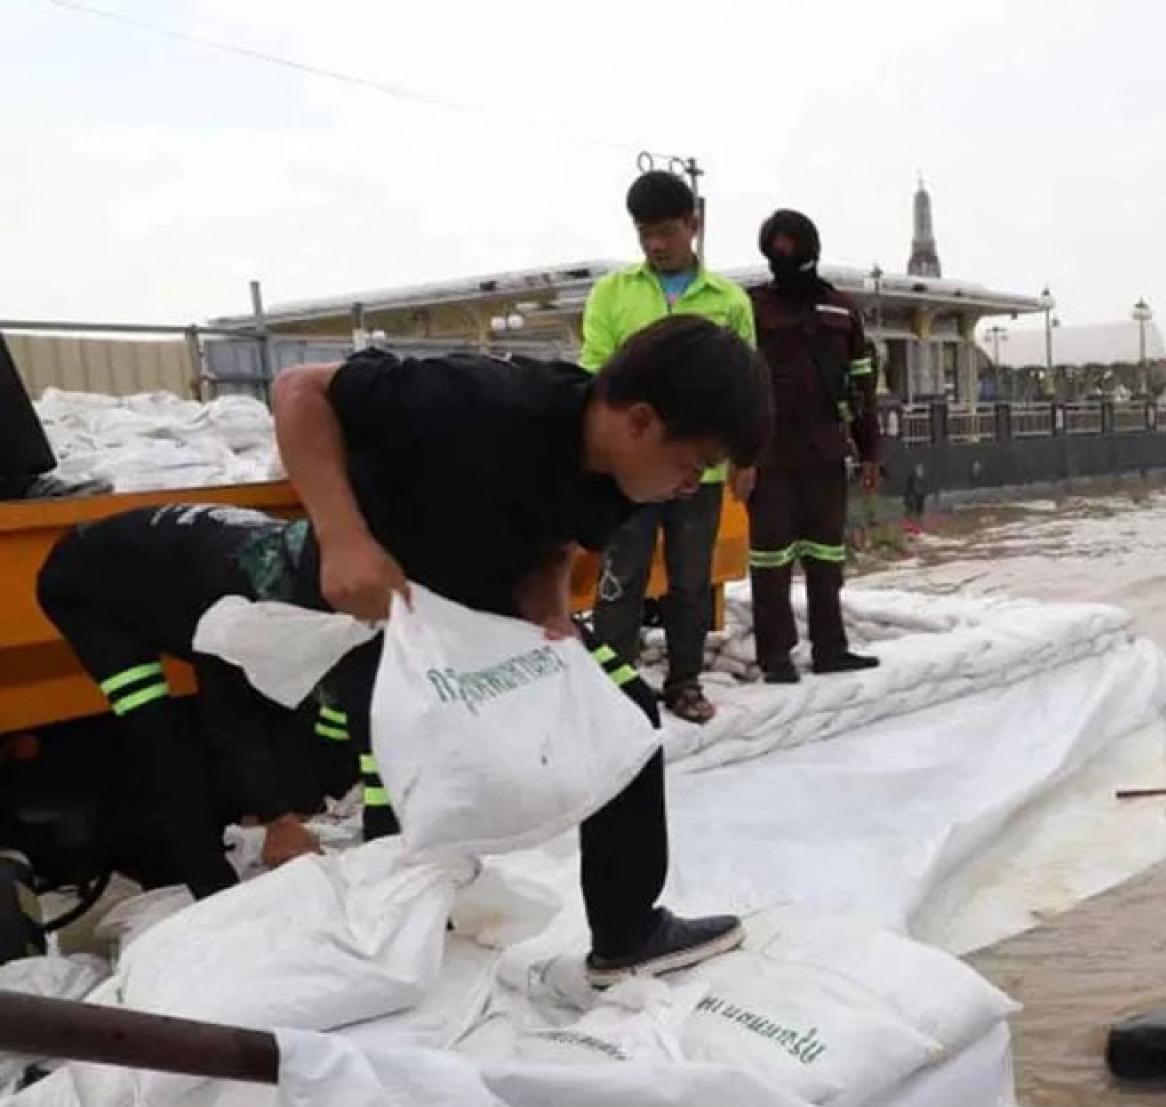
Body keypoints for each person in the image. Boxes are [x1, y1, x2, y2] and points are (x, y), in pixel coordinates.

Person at [271, 316, 771, 987]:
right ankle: (384, 951)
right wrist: (342, 538)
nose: (691, 486)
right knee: (407, 763)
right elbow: (300, 390)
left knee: (623, 716)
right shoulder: (481, 401)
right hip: (378, 594)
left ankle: (628, 931)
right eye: (692, 466)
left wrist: (550, 605)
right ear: (642, 422)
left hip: (481, 592)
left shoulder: (617, 477)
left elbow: (558, 533)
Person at [33, 504, 337, 900]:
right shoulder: (230, 600)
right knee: (163, 740)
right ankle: (214, 893)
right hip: (88, 590)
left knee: (270, 704)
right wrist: (278, 819)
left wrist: (302, 801)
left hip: (163, 578)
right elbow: (228, 715)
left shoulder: (300, 562)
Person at [579, 170, 756, 725]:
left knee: (689, 580)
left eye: (665, 232)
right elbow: (594, 375)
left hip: (698, 475)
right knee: (620, 577)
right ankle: (614, 686)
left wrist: (746, 457)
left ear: (693, 226)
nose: (655, 244)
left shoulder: (728, 301)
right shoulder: (614, 293)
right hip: (630, 473)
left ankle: (684, 684)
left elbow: (747, 387)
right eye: (643, 233)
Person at [740, 209, 882, 683]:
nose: (785, 257)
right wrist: (741, 458)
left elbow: (863, 387)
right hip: (769, 458)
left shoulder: (842, 310)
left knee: (826, 560)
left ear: (812, 251)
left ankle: (831, 649)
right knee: (770, 562)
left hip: (825, 453)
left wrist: (871, 453)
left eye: (792, 248)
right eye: (775, 249)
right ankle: (775, 657)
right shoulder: (752, 308)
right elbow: (737, 387)